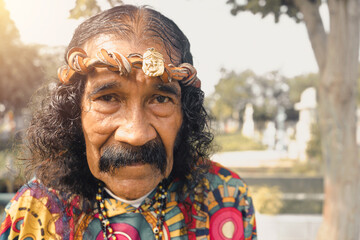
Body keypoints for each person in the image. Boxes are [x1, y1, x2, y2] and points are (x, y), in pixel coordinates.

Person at [0, 5, 256, 240]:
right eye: (108, 98)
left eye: (159, 99)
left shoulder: (225, 197)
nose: (136, 134)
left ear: (185, 113)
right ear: (74, 112)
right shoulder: (36, 211)